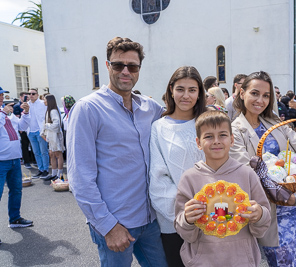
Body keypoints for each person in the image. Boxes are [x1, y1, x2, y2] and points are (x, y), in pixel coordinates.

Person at [67, 37, 167, 267]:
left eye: (132, 66)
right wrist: (108, 227)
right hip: (115, 223)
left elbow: (182, 118)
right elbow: (80, 177)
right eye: (118, 65)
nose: (125, 71)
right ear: (107, 65)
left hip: (150, 219)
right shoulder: (88, 109)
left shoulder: (149, 107)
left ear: (139, 69)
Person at [229, 71, 296, 266]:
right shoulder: (234, 131)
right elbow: (247, 175)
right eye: (255, 93)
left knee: (293, 261)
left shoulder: (272, 122)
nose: (260, 100)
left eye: (266, 95)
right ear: (241, 93)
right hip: (271, 211)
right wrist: (292, 198)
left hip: (294, 211)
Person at [174, 110, 272, 266]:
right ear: (198, 143)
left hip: (242, 260)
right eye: (208, 136)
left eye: (222, 135)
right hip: (202, 261)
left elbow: (263, 223)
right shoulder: (189, 178)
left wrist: (259, 214)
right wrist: (187, 219)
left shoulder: (247, 175)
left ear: (232, 140)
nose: (216, 141)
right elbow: (184, 230)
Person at [149, 66, 207, 267]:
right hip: (174, 221)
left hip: (212, 215)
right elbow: (158, 177)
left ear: (199, 93)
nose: (186, 95)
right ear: (171, 90)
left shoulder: (207, 123)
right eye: (180, 89)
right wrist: (189, 212)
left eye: (192, 90)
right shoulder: (159, 127)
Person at [0, 88, 33, 237]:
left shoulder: (5, 113)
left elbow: (22, 127)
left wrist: (26, 113)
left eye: (2, 94)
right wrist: (3, 113)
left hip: (14, 159)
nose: (2, 97)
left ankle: (15, 219)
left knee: (16, 191)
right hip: (1, 161)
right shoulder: (3, 113)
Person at [41, 94, 65, 181]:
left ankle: (60, 174)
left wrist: (46, 125)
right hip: (51, 136)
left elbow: (56, 125)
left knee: (58, 154)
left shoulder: (53, 111)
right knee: (52, 154)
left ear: (49, 101)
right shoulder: (48, 111)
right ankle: (54, 173)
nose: (44, 101)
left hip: (56, 136)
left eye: (45, 100)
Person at [27, 88, 49, 179]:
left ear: (37, 94)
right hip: (30, 132)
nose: (31, 95)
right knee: (36, 152)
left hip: (40, 131)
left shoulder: (42, 103)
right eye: (29, 94)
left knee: (44, 151)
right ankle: (40, 169)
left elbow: (47, 116)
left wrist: (45, 130)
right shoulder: (26, 105)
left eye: (33, 93)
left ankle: (46, 170)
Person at [13, 91, 34, 168]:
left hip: (30, 128)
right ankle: (27, 161)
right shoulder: (17, 106)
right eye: (25, 96)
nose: (27, 98)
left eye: (27, 97)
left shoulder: (30, 105)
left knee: (32, 145)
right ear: (21, 97)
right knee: (24, 145)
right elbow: (17, 117)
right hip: (22, 128)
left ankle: (33, 160)